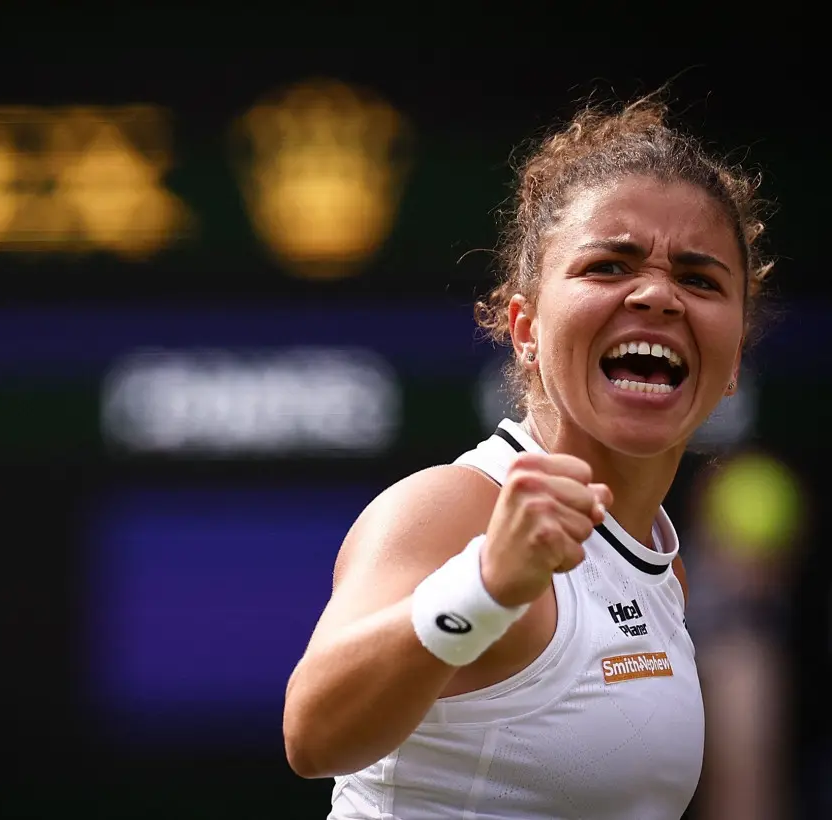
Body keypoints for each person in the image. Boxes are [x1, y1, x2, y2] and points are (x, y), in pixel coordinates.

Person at [282, 94, 774, 820]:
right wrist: (483, 585)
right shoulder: (453, 508)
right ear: (525, 328)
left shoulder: (662, 567)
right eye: (609, 265)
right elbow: (313, 735)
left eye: (700, 280)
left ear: (733, 360)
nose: (658, 295)